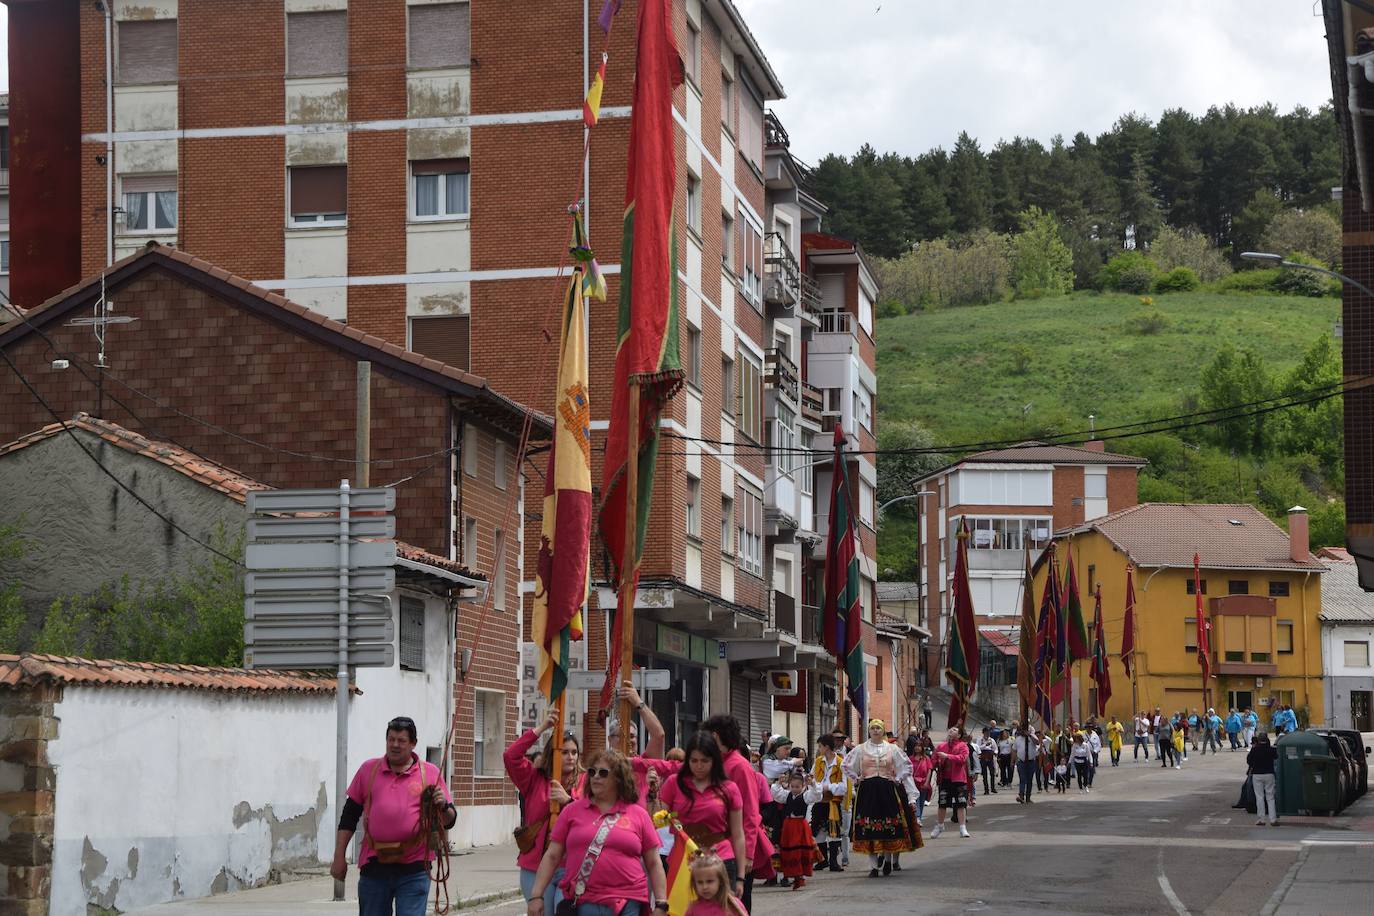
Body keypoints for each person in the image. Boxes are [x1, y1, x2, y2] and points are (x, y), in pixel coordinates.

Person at [331, 716, 457, 916]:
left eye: (401, 741)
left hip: (415, 868)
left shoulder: (430, 773)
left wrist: (443, 807)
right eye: (391, 739)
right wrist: (339, 856)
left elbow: (450, 820)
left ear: (413, 744)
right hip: (374, 867)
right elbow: (349, 816)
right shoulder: (368, 770)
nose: (395, 745)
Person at [526, 747, 667, 916]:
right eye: (592, 772)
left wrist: (661, 902)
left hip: (628, 902)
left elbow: (653, 862)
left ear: (619, 778)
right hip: (583, 902)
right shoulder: (572, 811)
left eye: (603, 773)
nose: (595, 777)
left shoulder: (639, 814)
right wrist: (536, 896)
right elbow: (552, 856)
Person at [505, 711, 583, 913]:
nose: (570, 757)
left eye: (574, 752)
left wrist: (568, 802)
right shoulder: (534, 779)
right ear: (553, 754)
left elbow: (591, 817)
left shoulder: (587, 783)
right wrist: (541, 728)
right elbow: (511, 756)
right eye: (564, 752)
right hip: (535, 866)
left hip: (572, 867)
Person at [656, 732, 746, 899]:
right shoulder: (674, 783)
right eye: (694, 761)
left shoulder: (729, 788)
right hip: (682, 860)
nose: (699, 766)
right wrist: (652, 794)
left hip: (720, 861)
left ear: (715, 761)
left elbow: (738, 834)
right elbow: (658, 820)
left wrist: (741, 877)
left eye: (705, 761)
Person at [844, 718, 919, 874]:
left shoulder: (892, 748)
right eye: (873, 728)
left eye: (878, 728)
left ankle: (887, 861)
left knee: (888, 826)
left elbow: (907, 766)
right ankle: (873, 867)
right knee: (869, 828)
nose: (876, 730)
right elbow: (846, 765)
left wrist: (897, 779)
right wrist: (856, 778)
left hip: (887, 789)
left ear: (883, 730)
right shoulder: (860, 748)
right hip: (868, 790)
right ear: (869, 731)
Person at [702, 715, 760, 914]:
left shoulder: (739, 766)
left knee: (735, 907)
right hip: (713, 849)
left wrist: (748, 855)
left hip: (736, 851)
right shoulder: (715, 763)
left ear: (715, 736)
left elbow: (751, 813)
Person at [771, 768, 823, 890]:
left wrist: (813, 783)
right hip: (788, 826)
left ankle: (799, 876)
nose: (794, 789)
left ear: (803, 786)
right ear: (789, 786)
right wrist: (779, 782)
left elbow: (816, 795)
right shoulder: (787, 795)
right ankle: (791, 875)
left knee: (799, 851)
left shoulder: (805, 796)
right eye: (792, 786)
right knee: (789, 850)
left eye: (797, 787)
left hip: (800, 826)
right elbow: (776, 794)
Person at [810, 735, 851, 871]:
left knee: (834, 831)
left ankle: (834, 861)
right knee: (819, 831)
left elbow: (844, 787)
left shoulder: (840, 763)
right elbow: (813, 778)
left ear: (826, 746)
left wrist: (828, 787)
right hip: (820, 800)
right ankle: (823, 860)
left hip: (832, 802)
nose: (819, 749)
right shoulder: (818, 762)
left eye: (820, 746)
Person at [930, 726, 972, 839]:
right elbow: (933, 758)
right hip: (945, 779)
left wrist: (947, 756)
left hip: (958, 779)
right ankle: (939, 825)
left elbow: (962, 758)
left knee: (961, 803)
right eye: (951, 729)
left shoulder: (963, 746)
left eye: (955, 730)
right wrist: (937, 762)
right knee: (942, 803)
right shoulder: (941, 746)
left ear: (959, 735)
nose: (951, 730)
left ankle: (962, 827)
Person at [1246, 732, 1280, 827]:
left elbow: (1249, 761)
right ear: (1267, 739)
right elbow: (1276, 757)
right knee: (1270, 796)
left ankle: (1261, 819)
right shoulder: (1271, 750)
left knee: (1259, 797)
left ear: (1258, 740)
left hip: (1257, 774)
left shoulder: (1254, 750)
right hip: (1269, 773)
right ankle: (1273, 819)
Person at [907, 735, 935, 823]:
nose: (917, 748)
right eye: (916, 746)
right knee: (916, 800)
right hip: (913, 783)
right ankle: (917, 817)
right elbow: (907, 771)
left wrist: (927, 782)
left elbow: (929, 770)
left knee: (922, 802)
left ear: (922, 748)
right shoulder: (910, 759)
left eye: (919, 746)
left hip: (923, 783)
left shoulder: (926, 759)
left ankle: (919, 817)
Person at [1011, 722, 1039, 804]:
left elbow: (1037, 742)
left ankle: (1028, 797)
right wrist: (1012, 761)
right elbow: (1014, 750)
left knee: (1029, 780)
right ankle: (1021, 795)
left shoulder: (1032, 737)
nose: (1022, 732)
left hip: (1031, 761)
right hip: (1021, 762)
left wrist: (1030, 735)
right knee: (1022, 779)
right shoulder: (1018, 739)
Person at [978, 728, 998, 795]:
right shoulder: (980, 740)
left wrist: (995, 752)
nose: (987, 734)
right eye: (986, 733)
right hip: (983, 756)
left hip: (990, 756)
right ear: (983, 733)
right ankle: (986, 789)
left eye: (988, 733)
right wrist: (985, 745)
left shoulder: (992, 740)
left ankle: (993, 788)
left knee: (992, 773)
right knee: (984, 774)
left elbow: (995, 748)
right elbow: (978, 748)